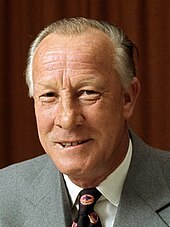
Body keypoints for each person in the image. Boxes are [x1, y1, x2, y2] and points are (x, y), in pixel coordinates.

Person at [0, 17, 169, 227]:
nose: (67, 119)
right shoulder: (3, 196)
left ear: (127, 97)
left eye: (88, 93)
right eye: (49, 95)